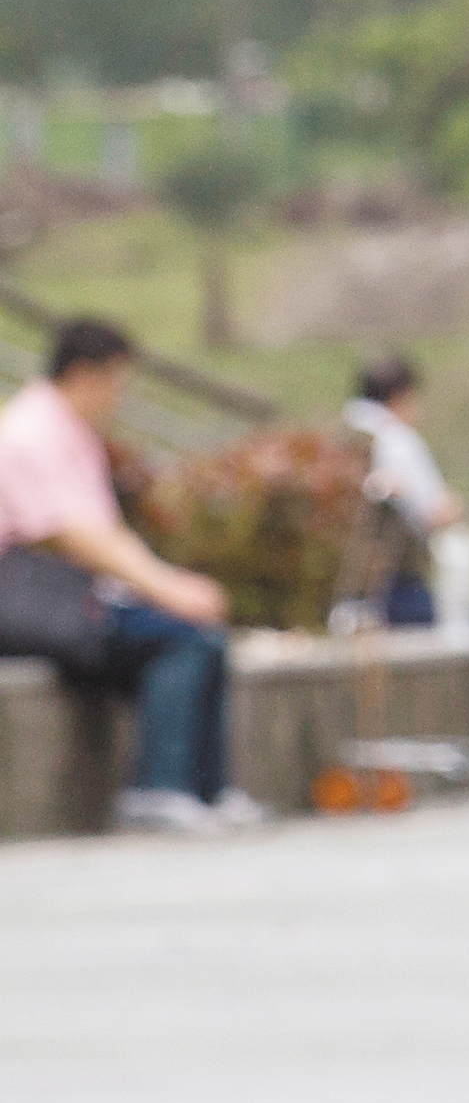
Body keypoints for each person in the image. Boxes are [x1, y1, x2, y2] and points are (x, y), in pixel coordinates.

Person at [0, 318, 265, 837]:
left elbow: (102, 532)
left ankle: (206, 789)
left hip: (57, 597)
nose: (121, 396)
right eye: (117, 381)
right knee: (179, 639)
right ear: (84, 375)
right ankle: (159, 788)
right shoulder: (30, 432)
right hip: (25, 600)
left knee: (202, 638)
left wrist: (167, 588)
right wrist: (166, 589)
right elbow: (78, 535)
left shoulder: (69, 431)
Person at [339, 354, 469, 631]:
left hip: (342, 588)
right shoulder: (397, 440)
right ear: (401, 396)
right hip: (396, 586)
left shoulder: (340, 433)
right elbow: (436, 513)